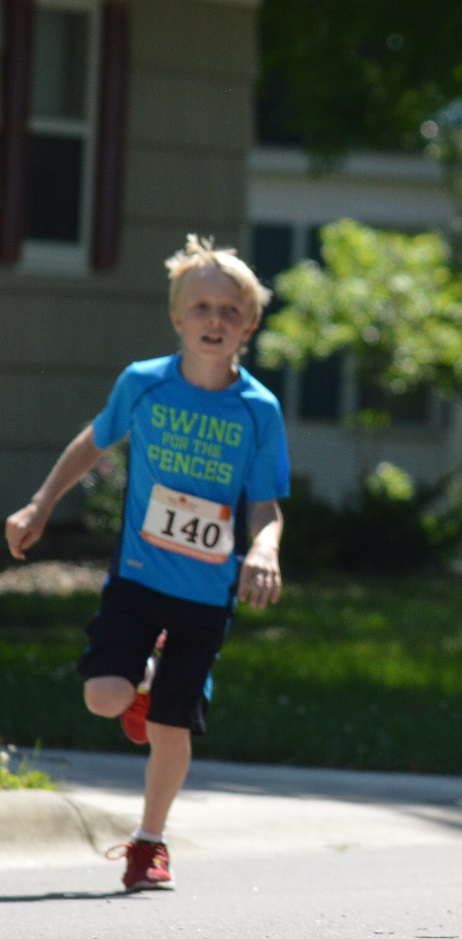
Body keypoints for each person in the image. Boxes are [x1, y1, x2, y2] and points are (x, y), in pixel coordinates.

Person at [5, 235, 291, 892]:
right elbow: (93, 440)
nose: (214, 320)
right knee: (104, 698)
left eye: (229, 310)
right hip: (137, 575)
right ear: (177, 317)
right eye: (201, 307)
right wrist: (40, 504)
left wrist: (266, 549)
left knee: (169, 726)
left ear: (248, 324)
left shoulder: (258, 411)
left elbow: (266, 505)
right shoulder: (144, 384)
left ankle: (149, 841)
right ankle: (139, 679)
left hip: (205, 595)